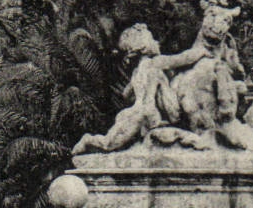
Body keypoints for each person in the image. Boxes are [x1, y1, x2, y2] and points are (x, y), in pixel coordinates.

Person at [72, 24, 211, 154]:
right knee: (109, 144)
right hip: (142, 114)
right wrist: (201, 51)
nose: (156, 42)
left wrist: (144, 91)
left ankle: (89, 141)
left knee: (110, 143)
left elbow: (126, 94)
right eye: (152, 39)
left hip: (137, 112)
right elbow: (183, 58)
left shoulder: (136, 71)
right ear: (144, 45)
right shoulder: (155, 62)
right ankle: (87, 140)